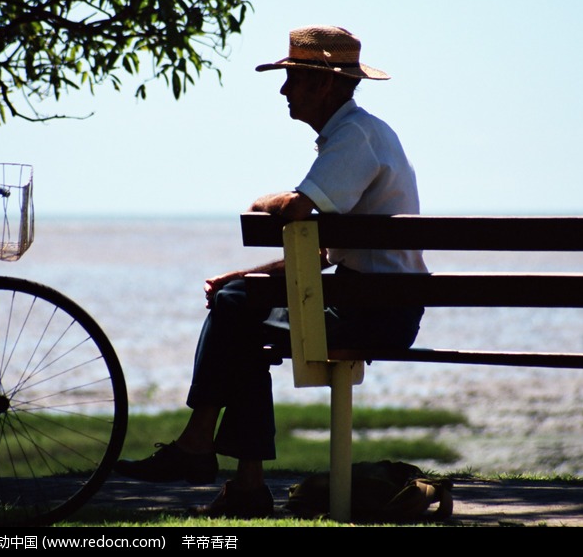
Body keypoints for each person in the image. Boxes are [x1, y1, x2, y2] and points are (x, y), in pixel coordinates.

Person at [114, 25, 428, 517]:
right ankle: (243, 484)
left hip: (374, 312)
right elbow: (320, 253)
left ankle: (201, 447)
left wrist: (263, 200)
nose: (284, 90)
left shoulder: (353, 137)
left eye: (293, 79)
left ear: (323, 84)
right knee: (238, 306)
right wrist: (244, 276)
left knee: (235, 309)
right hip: (370, 301)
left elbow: (298, 210)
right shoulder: (356, 136)